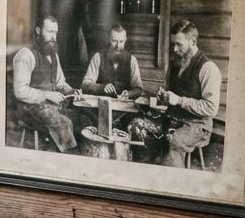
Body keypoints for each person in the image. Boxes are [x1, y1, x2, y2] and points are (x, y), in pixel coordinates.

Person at [156, 20, 221, 168]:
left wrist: (179, 101)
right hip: (173, 118)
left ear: (192, 41)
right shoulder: (175, 64)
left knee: (173, 140)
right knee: (140, 127)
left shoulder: (208, 68)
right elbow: (171, 92)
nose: (174, 49)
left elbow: (211, 108)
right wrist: (164, 96)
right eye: (173, 44)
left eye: (179, 44)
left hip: (197, 125)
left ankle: (173, 183)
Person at [11, 15, 80, 152]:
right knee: (64, 123)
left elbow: (60, 82)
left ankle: (56, 152)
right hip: (28, 110)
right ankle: (70, 159)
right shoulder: (26, 55)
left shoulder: (54, 56)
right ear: (38, 30)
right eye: (50, 32)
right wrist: (47, 95)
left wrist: (72, 91)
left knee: (81, 119)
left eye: (55, 32)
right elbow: (19, 91)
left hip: (50, 108)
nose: (54, 36)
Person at [80, 24, 145, 99]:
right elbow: (85, 85)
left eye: (121, 42)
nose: (118, 46)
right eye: (114, 41)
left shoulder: (132, 60)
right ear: (109, 39)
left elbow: (139, 89)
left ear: (125, 40)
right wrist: (101, 88)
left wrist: (129, 94)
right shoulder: (98, 57)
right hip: (101, 104)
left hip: (124, 106)